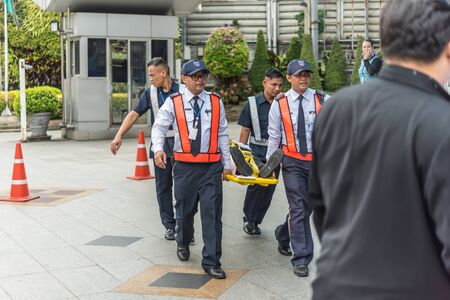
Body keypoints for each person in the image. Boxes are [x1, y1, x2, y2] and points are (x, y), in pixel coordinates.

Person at [309, 0, 450, 299]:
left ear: (384, 44)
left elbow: (322, 209)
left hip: (336, 287)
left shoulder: (336, 108)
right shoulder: (442, 121)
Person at [151, 59, 232, 279]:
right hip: (185, 167)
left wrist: (228, 162)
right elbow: (158, 127)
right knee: (185, 211)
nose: (200, 79)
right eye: (195, 76)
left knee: (212, 213)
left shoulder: (215, 102)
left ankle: (212, 260)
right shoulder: (174, 102)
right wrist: (158, 149)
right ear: (184, 79)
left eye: (203, 76)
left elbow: (222, 133)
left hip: (211, 167)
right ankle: (183, 240)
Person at [266, 59, 328, 277]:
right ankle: (301, 258)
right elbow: (274, 136)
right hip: (291, 162)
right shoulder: (280, 103)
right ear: (289, 77)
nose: (304, 78)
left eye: (307, 74)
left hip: (317, 162)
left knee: (306, 207)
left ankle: (283, 234)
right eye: (299, 74)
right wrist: (271, 165)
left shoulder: (321, 99)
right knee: (299, 207)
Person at [110, 57, 182, 241]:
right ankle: (170, 226)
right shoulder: (150, 93)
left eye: (152, 75)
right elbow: (134, 114)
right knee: (163, 188)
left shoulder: (183, 90)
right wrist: (119, 135)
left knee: (184, 188)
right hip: (160, 146)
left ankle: (184, 225)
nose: (150, 79)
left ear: (164, 73)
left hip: (183, 145)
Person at [236, 68, 284, 235]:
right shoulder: (252, 104)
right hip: (256, 152)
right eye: (273, 84)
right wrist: (240, 155)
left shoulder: (283, 103)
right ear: (265, 83)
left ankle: (256, 221)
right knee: (256, 187)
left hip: (275, 155)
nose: (277, 89)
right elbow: (245, 131)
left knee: (268, 189)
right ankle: (249, 219)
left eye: (280, 85)